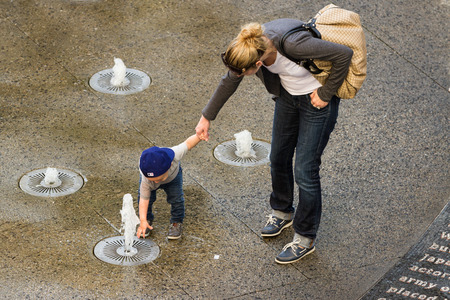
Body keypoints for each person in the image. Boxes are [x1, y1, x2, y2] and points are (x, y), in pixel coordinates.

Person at [195, 19, 352, 264]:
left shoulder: (295, 46)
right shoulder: (250, 46)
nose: (241, 76)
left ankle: (305, 237)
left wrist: (325, 93)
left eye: (245, 72)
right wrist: (206, 117)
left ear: (258, 64)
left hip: (317, 102)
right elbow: (230, 79)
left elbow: (344, 54)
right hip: (288, 99)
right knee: (278, 156)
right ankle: (282, 210)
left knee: (306, 171)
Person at [136, 134, 201, 240]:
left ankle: (176, 221)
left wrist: (200, 135)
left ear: (170, 165)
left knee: (176, 199)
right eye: (154, 180)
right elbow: (143, 200)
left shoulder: (175, 154)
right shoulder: (147, 180)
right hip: (148, 182)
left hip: (173, 178)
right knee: (146, 198)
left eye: (159, 179)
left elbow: (188, 143)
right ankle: (146, 221)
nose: (156, 182)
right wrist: (142, 219)